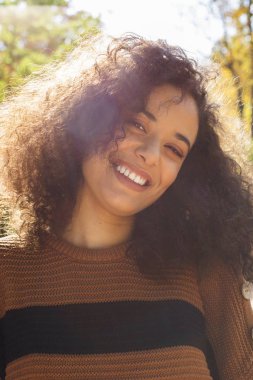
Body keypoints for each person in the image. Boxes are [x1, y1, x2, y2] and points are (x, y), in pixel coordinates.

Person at [0, 34, 252, 380]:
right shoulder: (7, 271)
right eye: (136, 124)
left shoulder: (205, 270)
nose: (150, 153)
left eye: (174, 150)